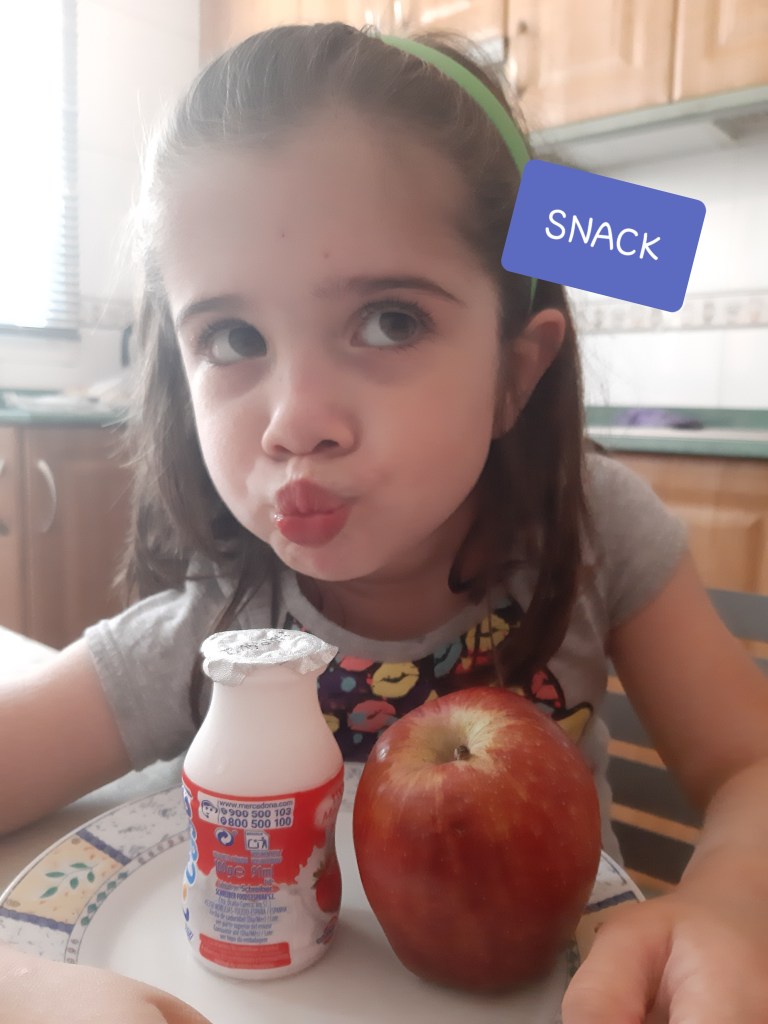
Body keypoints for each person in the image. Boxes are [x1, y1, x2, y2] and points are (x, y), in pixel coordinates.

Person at [1, 21, 767, 1024]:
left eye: (390, 321)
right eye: (231, 337)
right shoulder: (211, 636)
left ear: (516, 372)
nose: (295, 421)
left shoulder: (593, 531)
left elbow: (749, 762)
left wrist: (730, 905)